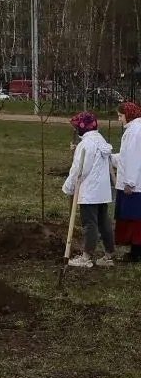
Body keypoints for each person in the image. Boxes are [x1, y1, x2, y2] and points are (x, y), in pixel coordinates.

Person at [62, 111, 115, 267]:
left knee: (89, 223)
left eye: (77, 126)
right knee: (103, 221)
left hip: (90, 191)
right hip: (103, 191)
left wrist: (68, 187)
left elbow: (79, 170)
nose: (76, 129)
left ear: (83, 127)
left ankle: (86, 257)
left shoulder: (86, 144)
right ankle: (109, 254)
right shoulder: (100, 140)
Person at [113, 101, 141, 262]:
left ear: (129, 115)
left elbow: (132, 158)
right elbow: (125, 157)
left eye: (120, 116)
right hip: (134, 181)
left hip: (134, 184)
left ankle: (136, 251)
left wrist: (129, 182)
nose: (119, 119)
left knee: (134, 218)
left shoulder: (134, 132)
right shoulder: (134, 130)